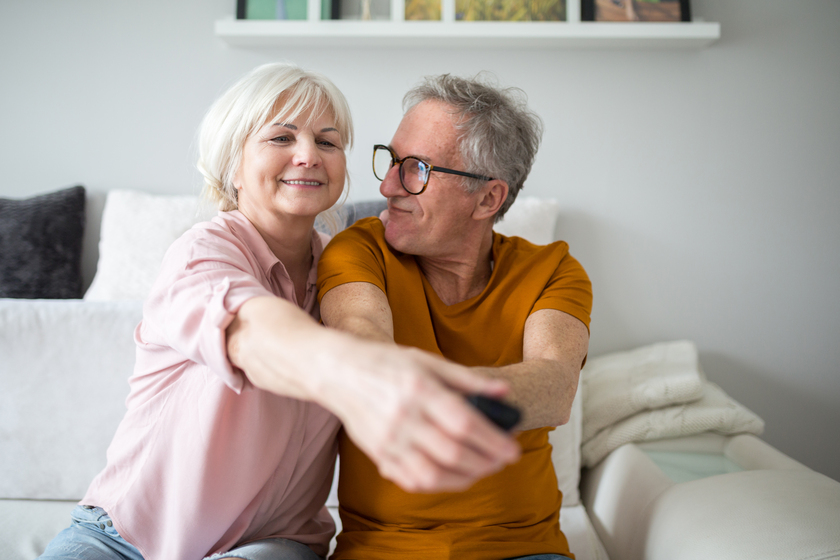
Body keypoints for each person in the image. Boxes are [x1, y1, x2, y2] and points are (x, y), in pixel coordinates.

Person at [38, 63, 520, 560]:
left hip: (272, 545)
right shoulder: (202, 252)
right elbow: (251, 331)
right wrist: (366, 375)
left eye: (328, 142)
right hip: (119, 537)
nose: (308, 155)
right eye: (281, 137)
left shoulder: (352, 269)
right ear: (233, 164)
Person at [317, 74, 593, 560]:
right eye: (392, 160)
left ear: (488, 198)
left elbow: (554, 387)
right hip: (384, 549)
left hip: (524, 550)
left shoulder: (552, 270)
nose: (387, 186)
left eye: (416, 169)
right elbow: (363, 346)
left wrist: (422, 393)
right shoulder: (358, 250)